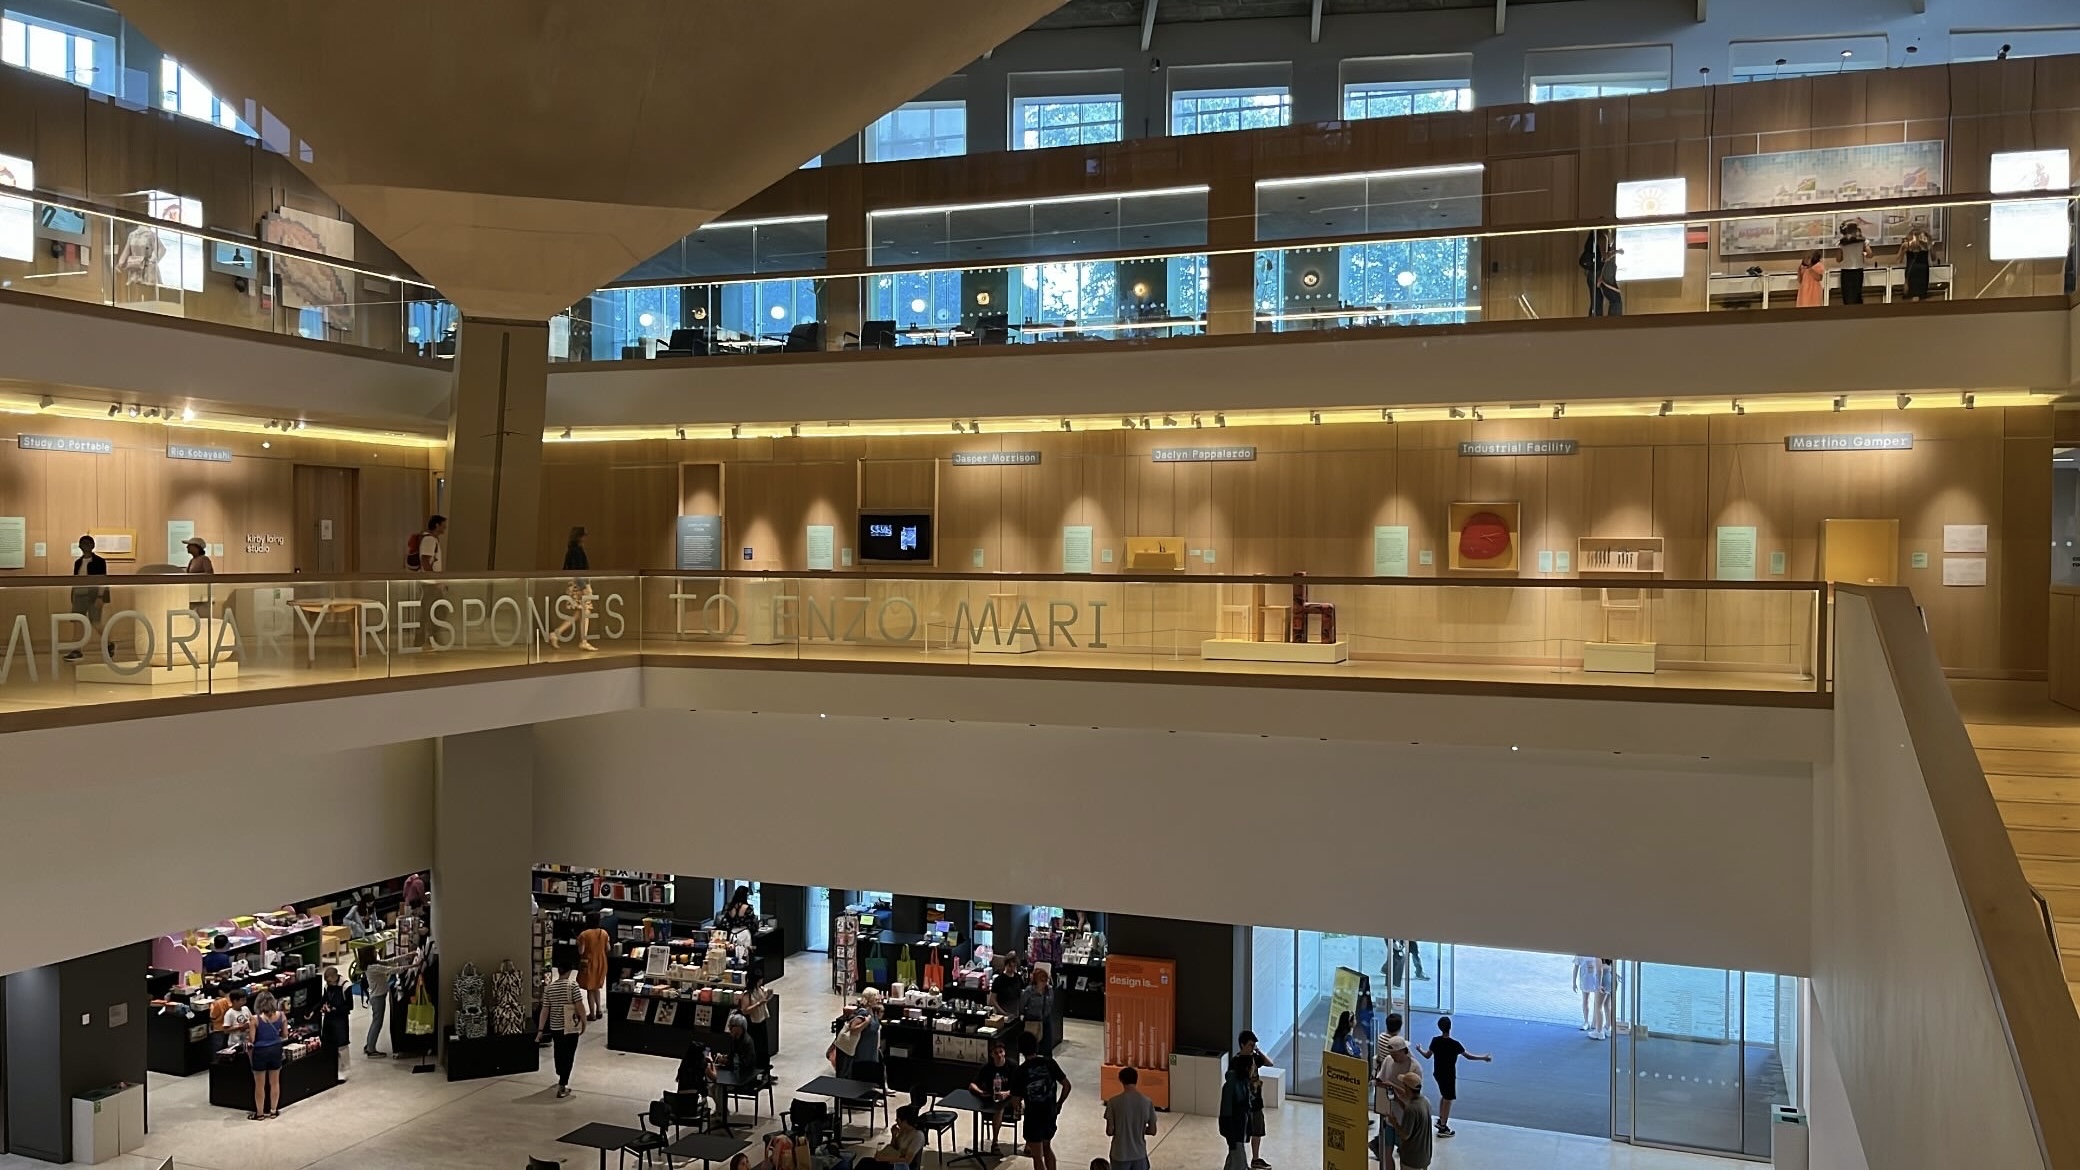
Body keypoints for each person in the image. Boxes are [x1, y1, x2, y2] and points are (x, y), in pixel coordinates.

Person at [1417, 1016, 1490, 1138]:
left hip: (1438, 1073)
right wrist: (1483, 1057)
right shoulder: (1455, 1044)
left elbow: (1427, 1055)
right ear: (1450, 1027)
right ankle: (1443, 1127)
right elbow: (1468, 1056)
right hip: (1449, 1075)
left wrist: (1419, 1049)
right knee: (1448, 1099)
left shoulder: (1435, 1041)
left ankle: (1441, 1120)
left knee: (1444, 1096)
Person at [1013, 1030, 1070, 1170]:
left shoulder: (1020, 1071)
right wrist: (1059, 1104)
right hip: (1050, 1113)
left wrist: (1018, 1109)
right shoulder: (1049, 1062)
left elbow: (1016, 1100)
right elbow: (1067, 1085)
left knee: (1037, 1157)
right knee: (1047, 1148)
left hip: (1033, 1117)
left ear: (1020, 1050)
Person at [536, 963, 586, 1098]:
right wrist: (584, 1021)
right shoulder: (573, 986)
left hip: (556, 1027)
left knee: (559, 1051)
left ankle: (560, 1072)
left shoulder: (550, 988)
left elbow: (545, 1010)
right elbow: (579, 1005)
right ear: (569, 971)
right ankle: (562, 1084)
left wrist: (540, 1030)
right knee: (569, 1055)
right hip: (570, 1026)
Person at [1373, 1034, 1421, 1168]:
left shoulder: (1414, 1068)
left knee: (1404, 1155)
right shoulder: (1388, 1060)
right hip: (1389, 1116)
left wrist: (1393, 1086)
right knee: (1386, 1152)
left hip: (1406, 1120)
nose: (1393, 1058)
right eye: (1391, 1055)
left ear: (1403, 1051)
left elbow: (1413, 1096)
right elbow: (1380, 1080)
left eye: (1395, 1055)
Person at [968, 1037, 1022, 1150]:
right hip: (994, 1100)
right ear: (991, 1054)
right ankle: (995, 1142)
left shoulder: (1012, 1066)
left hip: (1011, 1096)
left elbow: (1020, 1086)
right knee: (999, 1109)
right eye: (996, 1053)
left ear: (1004, 1053)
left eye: (1001, 1052)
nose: (999, 1055)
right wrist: (981, 1092)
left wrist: (1007, 1093)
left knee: (1027, 1106)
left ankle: (1029, 1141)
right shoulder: (987, 1068)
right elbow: (972, 1084)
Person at [550, 525, 597, 650]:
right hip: (579, 584)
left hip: (576, 583)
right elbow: (577, 570)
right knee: (585, 610)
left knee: (581, 612)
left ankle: (557, 634)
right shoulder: (576, 551)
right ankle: (583, 640)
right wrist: (584, 586)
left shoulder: (572, 550)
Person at [1104, 1063, 1158, 1170]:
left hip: (1119, 1153)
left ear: (1121, 1081)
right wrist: (1139, 1129)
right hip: (1139, 1154)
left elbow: (1109, 1131)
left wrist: (1121, 1130)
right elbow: (1153, 1131)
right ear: (1136, 1080)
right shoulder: (1147, 1102)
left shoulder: (1113, 1102)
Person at [1234, 1030, 1274, 1169]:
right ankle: (1239, 1160)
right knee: (1242, 1133)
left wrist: (1258, 1051)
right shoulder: (1237, 1062)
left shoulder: (1254, 1058)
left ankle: (1256, 1159)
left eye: (1254, 1045)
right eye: (1250, 1045)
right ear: (1242, 1045)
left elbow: (1270, 1063)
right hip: (1244, 1104)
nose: (1252, 1048)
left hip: (1256, 1102)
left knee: (1258, 1130)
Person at [65, 534, 108, 661]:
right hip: (79, 595)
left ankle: (109, 643)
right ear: (80, 546)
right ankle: (76, 649)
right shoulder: (78, 562)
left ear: (93, 546)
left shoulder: (100, 562)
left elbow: (102, 580)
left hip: (93, 595)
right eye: (83, 544)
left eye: (88, 544)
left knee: (95, 621)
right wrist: (73, 594)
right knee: (77, 622)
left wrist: (100, 596)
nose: (86, 546)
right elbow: (76, 579)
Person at [247, 990, 287, 1120]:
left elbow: (252, 1040)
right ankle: (273, 1111)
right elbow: (285, 1035)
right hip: (276, 1049)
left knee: (260, 1085)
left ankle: (259, 1114)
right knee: (275, 1083)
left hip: (260, 1052)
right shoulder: (281, 1015)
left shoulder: (254, 1019)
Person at [713, 1012, 759, 1124]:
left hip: (745, 1076)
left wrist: (728, 1062)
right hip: (735, 1072)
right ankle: (721, 1110)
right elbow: (733, 1055)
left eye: (731, 1027)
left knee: (719, 1087)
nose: (729, 1029)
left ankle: (722, 1113)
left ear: (739, 1028)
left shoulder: (746, 1042)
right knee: (712, 1086)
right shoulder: (735, 1039)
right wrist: (724, 1059)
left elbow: (745, 1063)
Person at [855, 1103, 927, 1170]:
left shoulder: (917, 1135)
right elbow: (894, 1148)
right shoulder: (903, 1131)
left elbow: (907, 1160)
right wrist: (894, 1136)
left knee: (868, 1165)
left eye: (898, 1119)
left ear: (904, 1121)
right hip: (894, 1160)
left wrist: (884, 1158)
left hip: (902, 1166)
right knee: (865, 1161)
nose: (896, 1121)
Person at [1389, 1072, 1435, 1170]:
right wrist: (1398, 1101)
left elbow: (1405, 1135)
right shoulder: (1425, 1101)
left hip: (1412, 1160)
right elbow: (1415, 1116)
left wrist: (1394, 1122)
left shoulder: (1411, 1108)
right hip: (1424, 1156)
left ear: (1407, 1088)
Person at [841, 987, 885, 1083]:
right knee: (862, 1077)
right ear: (870, 998)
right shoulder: (863, 1012)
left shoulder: (872, 1011)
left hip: (871, 1050)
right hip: (863, 1052)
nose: (878, 999)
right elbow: (853, 1029)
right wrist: (866, 1022)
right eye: (876, 997)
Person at [1218, 1059, 1254, 1170]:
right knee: (1239, 1161)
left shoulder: (1242, 1083)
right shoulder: (1233, 1085)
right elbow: (1227, 1111)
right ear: (1247, 1069)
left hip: (1238, 1128)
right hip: (1234, 1129)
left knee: (1234, 1157)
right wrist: (1231, 1134)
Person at [319, 965, 353, 1081]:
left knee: (342, 1044)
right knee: (328, 1042)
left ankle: (344, 1070)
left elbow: (350, 1006)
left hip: (340, 1018)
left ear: (335, 977)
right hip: (329, 1018)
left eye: (329, 981)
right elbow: (324, 999)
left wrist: (335, 1009)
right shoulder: (327, 986)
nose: (327, 983)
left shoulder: (346, 986)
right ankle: (329, 1068)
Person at [576, 912, 611, 1021]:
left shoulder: (584, 935)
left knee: (589, 989)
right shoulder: (604, 933)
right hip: (601, 962)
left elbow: (581, 951)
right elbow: (608, 948)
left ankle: (592, 1014)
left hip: (589, 963)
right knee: (596, 987)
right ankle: (599, 1010)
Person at [363, 954, 397, 1057]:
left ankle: (369, 1044)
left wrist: (407, 955)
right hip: (378, 998)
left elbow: (390, 961)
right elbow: (390, 969)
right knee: (377, 1022)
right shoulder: (373, 967)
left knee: (375, 1022)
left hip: (377, 996)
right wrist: (413, 966)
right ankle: (371, 1049)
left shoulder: (373, 965)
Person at [1019, 965, 1057, 1055]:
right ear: (1036, 981)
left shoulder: (1049, 990)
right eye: (1042, 981)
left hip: (1045, 1021)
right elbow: (1021, 1005)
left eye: (1046, 980)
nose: (1044, 983)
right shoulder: (1029, 991)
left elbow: (1051, 1004)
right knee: (1032, 1048)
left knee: (1047, 1048)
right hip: (1033, 1021)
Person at [1899, 223, 1935, 301]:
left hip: (1918, 271)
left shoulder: (1925, 244)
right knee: (1918, 295)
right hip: (1918, 271)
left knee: (1916, 295)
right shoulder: (1908, 245)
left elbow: (1899, 260)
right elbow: (1933, 257)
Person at [1838, 221, 1871, 304]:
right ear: (1856, 230)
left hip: (1845, 271)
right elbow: (1870, 254)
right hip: (1858, 270)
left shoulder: (1842, 242)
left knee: (1847, 295)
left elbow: (1838, 259)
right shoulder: (1862, 241)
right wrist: (1863, 253)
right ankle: (1858, 312)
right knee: (1857, 294)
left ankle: (1848, 313)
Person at [212, 986, 250, 1051]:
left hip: (246, 1040)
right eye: (242, 1000)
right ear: (235, 1001)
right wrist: (239, 1027)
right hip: (234, 1043)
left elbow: (251, 1019)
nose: (244, 1002)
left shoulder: (245, 1008)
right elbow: (226, 1030)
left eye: (245, 1000)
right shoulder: (229, 1013)